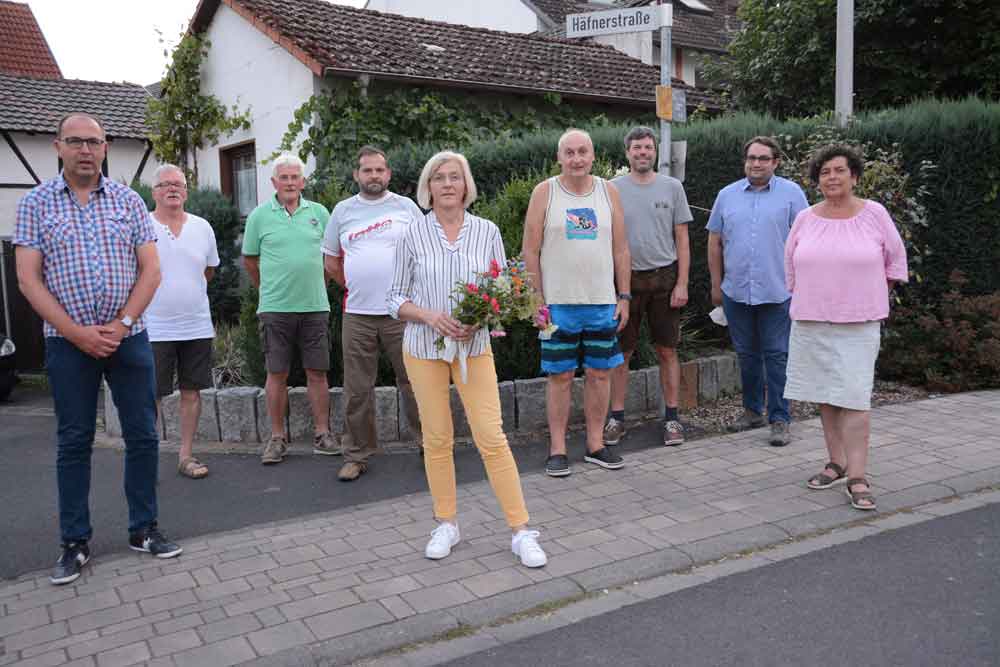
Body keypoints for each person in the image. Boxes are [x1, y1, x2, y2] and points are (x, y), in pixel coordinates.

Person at [15, 112, 182, 585]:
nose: (86, 150)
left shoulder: (128, 201)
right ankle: (74, 542)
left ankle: (144, 529)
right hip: (68, 345)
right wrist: (76, 332)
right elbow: (28, 280)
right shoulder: (35, 204)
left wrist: (122, 322)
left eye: (94, 142)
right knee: (73, 441)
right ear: (58, 146)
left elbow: (150, 271)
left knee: (144, 436)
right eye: (76, 142)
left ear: (105, 147)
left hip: (129, 339)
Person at [387, 151, 547, 568]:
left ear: (466, 185)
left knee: (491, 437)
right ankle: (446, 523)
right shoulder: (411, 234)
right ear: (428, 187)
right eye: (438, 177)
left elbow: (501, 288)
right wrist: (429, 316)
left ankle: (521, 530)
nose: (447, 184)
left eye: (454, 177)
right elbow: (394, 298)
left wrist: (482, 319)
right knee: (437, 439)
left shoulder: (487, 231)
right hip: (424, 350)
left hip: (475, 349)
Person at [784, 144, 907, 511]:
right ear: (817, 180)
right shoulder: (806, 217)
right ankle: (835, 462)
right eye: (824, 172)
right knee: (826, 394)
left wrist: (865, 296)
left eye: (839, 170)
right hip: (812, 319)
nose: (832, 177)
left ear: (854, 176)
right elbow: (790, 266)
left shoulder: (875, 214)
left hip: (859, 322)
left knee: (854, 396)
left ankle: (857, 474)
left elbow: (895, 261)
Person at [522, 129, 631, 478]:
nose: (576, 158)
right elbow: (530, 250)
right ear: (559, 158)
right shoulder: (545, 192)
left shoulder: (608, 190)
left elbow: (621, 249)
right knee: (560, 377)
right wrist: (536, 300)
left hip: (601, 302)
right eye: (569, 152)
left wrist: (624, 295)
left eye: (583, 151)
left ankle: (596, 445)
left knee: (600, 375)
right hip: (557, 306)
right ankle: (557, 449)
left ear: (593, 155)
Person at [322, 146, 422, 481]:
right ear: (357, 175)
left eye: (379, 170)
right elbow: (331, 260)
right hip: (358, 314)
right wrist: (353, 283)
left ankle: (430, 445)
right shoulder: (343, 210)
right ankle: (357, 455)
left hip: (403, 312)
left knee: (416, 382)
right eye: (367, 171)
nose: (374, 176)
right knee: (356, 388)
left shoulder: (406, 207)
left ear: (388, 174)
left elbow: (425, 253)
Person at [707, 136, 808, 446]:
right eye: (752, 158)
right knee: (747, 355)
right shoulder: (727, 195)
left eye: (764, 158)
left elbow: (807, 241)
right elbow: (714, 241)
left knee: (777, 356)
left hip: (779, 292)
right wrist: (715, 285)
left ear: (775, 162)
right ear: (745, 161)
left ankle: (780, 419)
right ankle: (752, 411)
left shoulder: (792, 195)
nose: (757, 163)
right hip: (736, 292)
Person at [242, 154, 336, 465]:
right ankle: (277, 438)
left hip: (314, 307)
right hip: (275, 309)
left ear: (303, 181)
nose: (290, 182)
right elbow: (251, 262)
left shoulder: (320, 213)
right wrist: (269, 289)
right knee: (276, 373)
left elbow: (330, 257)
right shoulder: (258, 216)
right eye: (284, 177)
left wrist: (317, 283)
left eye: (295, 177)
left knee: (317, 373)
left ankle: (323, 434)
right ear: (274, 183)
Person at [607, 126, 693, 447]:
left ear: (655, 151)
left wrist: (682, 282)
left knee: (667, 350)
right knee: (621, 353)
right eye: (637, 148)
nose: (643, 153)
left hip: (664, 281)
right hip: (626, 284)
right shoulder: (611, 189)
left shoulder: (672, 188)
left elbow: (682, 239)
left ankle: (672, 419)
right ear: (627, 153)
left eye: (648, 147)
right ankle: (616, 419)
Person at [146, 164, 220, 479]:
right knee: (151, 394)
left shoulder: (202, 227)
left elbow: (209, 270)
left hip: (196, 325)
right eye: (165, 184)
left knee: (192, 392)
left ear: (186, 191)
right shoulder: (142, 226)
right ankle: (145, 458)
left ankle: (186, 455)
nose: (172, 189)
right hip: (153, 327)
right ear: (154, 192)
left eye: (178, 184)